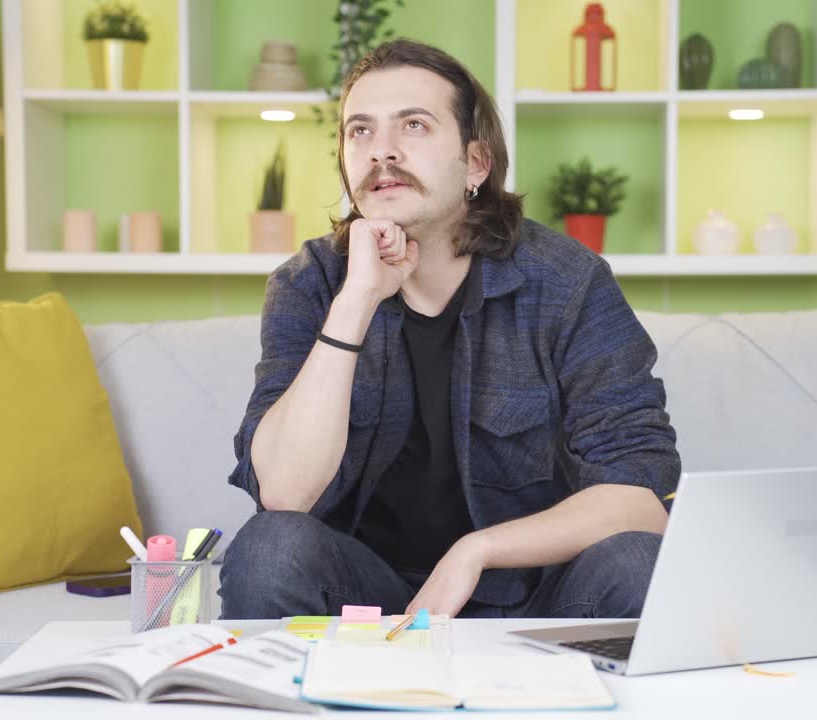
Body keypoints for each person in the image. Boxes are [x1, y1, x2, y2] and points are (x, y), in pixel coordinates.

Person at [220, 38, 680, 620]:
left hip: (535, 598)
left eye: (413, 125)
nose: (381, 151)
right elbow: (285, 493)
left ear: (476, 164)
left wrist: (477, 551)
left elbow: (641, 500)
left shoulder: (568, 283)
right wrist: (357, 301)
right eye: (360, 131)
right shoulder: (309, 283)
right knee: (269, 549)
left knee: (639, 561)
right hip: (367, 600)